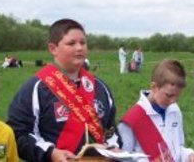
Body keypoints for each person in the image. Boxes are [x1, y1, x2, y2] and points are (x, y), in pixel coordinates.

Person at [7, 19, 120, 162]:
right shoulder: (36, 88)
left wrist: (113, 149)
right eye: (71, 43)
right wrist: (51, 153)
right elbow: (18, 133)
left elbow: (111, 131)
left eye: (83, 43)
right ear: (53, 48)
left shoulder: (100, 87)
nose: (79, 48)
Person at [118, 59, 194, 162]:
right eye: (169, 95)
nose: (173, 101)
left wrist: (189, 155)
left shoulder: (174, 109)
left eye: (177, 96)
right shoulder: (132, 120)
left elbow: (177, 148)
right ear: (154, 87)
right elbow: (122, 159)